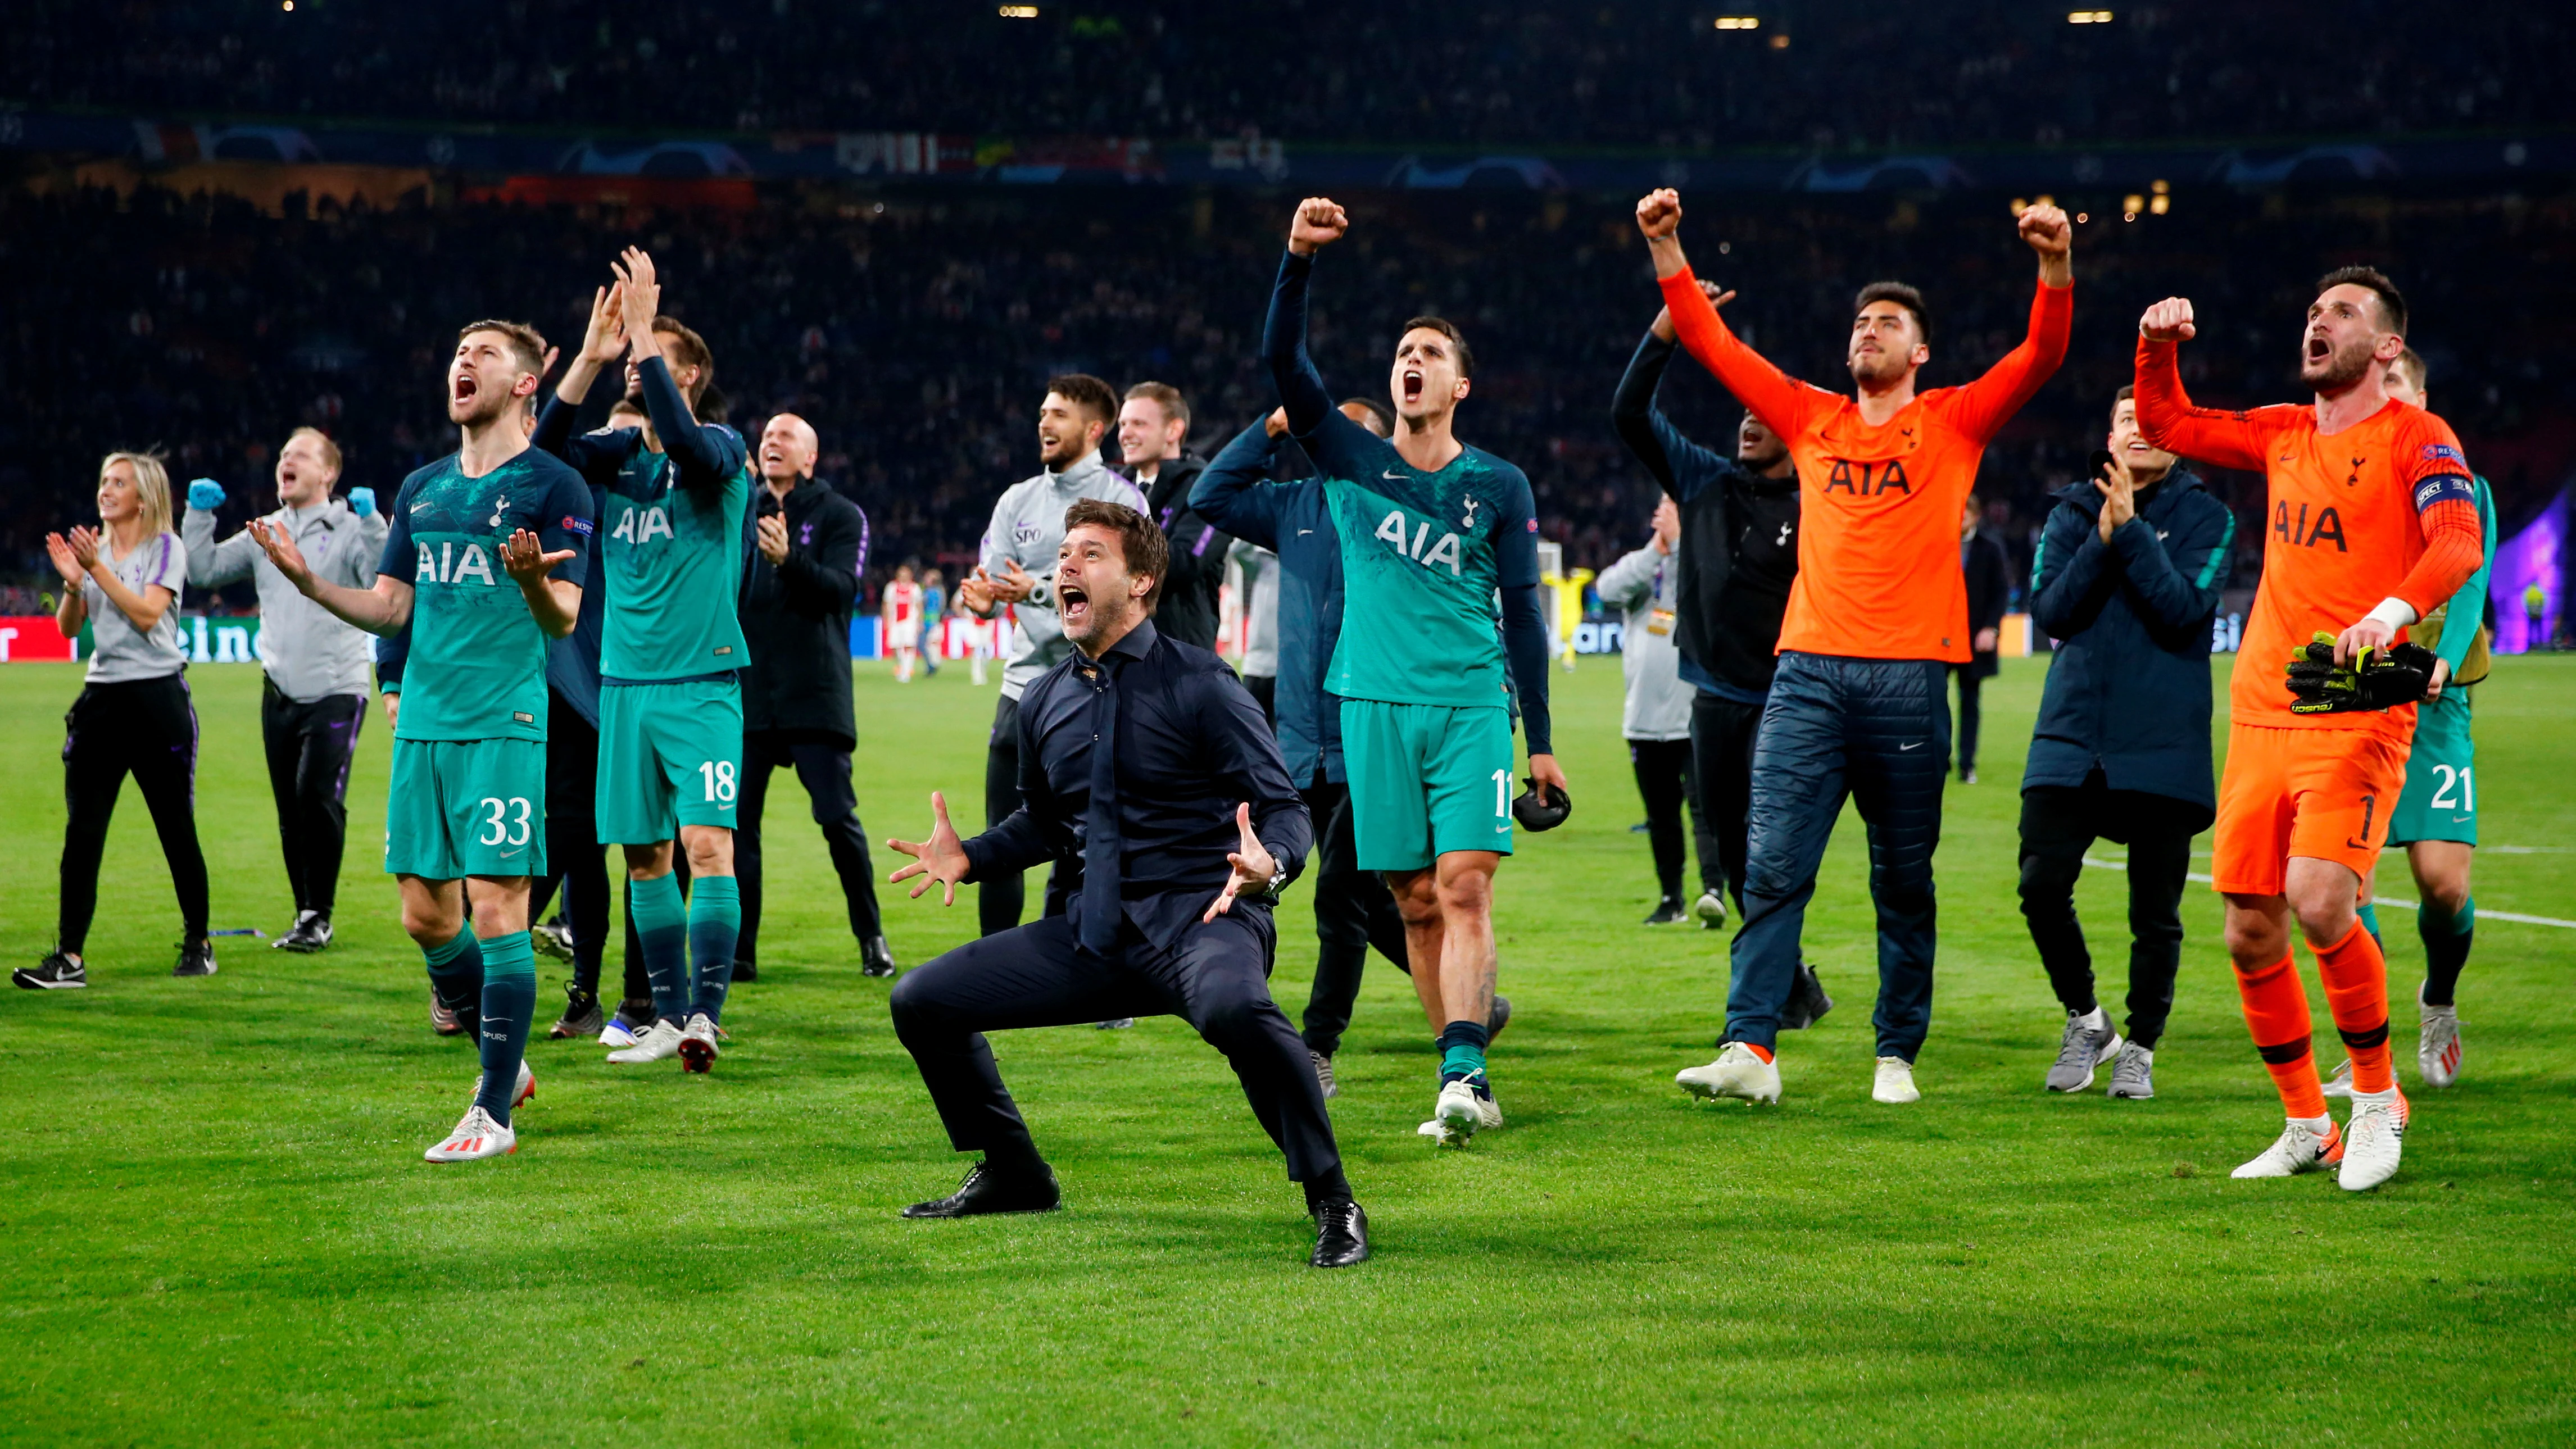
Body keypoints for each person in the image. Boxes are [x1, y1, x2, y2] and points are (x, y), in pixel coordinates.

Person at [1639, 186, 2072, 1108]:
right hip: (1806, 677)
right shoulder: (1807, 416)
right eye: (1859, 322)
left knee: (1900, 876)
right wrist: (1668, 245)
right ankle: (1749, 1044)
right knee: (1769, 866)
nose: (1865, 331)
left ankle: (1894, 1049)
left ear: (1917, 351)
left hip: (1909, 679)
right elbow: (1712, 345)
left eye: (1885, 323)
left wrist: (2051, 266)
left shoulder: (1953, 419)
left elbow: (2041, 354)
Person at [883, 501, 1365, 1269]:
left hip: (1206, 919)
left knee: (1241, 1008)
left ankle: (1333, 1197)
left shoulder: (1203, 682)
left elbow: (1282, 807)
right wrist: (969, 856)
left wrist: (1269, 865)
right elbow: (1043, 824)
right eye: (1065, 553)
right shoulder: (1043, 698)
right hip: (1095, 933)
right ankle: (1015, 1171)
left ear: (1141, 581)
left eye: (1090, 554)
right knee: (921, 999)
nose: (1066, 566)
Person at [2133, 267, 2484, 1191]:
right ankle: (2302, 1119)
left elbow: (2455, 539)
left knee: (2322, 900)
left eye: (2338, 312)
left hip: (2355, 702)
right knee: (2249, 928)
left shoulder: (2417, 434)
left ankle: (2375, 1100)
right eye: (2310, 311)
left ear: (2385, 346)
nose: (2314, 323)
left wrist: (2388, 610)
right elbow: (2166, 424)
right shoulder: (2282, 431)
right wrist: (2155, 345)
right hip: (2260, 706)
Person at [1263, 197, 1563, 1146]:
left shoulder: (1496, 484)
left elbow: (1522, 611)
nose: (1412, 360)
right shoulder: (1349, 460)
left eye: (1431, 352)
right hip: (1371, 705)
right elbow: (1284, 364)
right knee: (1412, 900)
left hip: (1470, 702)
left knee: (1465, 884)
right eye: (1403, 350)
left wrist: (1542, 742)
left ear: (1459, 386)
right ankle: (1458, 1074)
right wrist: (1297, 261)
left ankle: (1464, 1064)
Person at [255, 317, 591, 1160]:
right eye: (456, 355)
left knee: (498, 906)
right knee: (424, 914)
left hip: (504, 722)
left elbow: (566, 615)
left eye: (480, 355)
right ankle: (506, 1062)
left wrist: (530, 585)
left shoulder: (557, 486)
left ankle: (492, 1111)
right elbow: (393, 608)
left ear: (524, 384)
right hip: (427, 723)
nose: (460, 365)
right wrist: (310, 581)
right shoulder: (422, 487)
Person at [1197, 398, 1500, 1102]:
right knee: (1369, 893)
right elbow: (1212, 496)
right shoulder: (1294, 503)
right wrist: (1267, 431)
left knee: (1341, 893)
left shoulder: (1408, 515)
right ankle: (1474, 1005)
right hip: (1299, 740)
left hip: (1377, 733)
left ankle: (1317, 1044)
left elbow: (1471, 608)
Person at [534, 255, 752, 1074]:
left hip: (701, 685)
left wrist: (641, 336)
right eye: (632, 348)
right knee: (645, 857)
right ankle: (662, 1014)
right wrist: (590, 359)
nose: (634, 355)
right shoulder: (616, 455)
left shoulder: (723, 449)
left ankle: (704, 1013)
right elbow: (540, 453)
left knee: (706, 846)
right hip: (623, 687)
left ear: (688, 370)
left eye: (649, 347)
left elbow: (691, 446)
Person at [2019, 387, 2238, 1100]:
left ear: (2179, 437)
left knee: (2155, 911)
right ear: (2108, 435)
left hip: (2161, 740)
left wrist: (2133, 532)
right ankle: (2087, 1019)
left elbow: (2182, 609)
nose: (2139, 429)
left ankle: (2141, 1043)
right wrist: (2106, 533)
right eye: (2124, 420)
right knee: (2040, 885)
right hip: (2071, 732)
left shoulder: (2210, 517)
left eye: (2152, 421)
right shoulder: (2069, 513)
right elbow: (2051, 608)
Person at [1611, 281, 1816, 988]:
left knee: (1768, 851)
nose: (1749, 421)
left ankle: (1763, 1002)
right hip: (1714, 697)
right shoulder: (1704, 480)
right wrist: (1666, 329)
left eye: (1766, 414)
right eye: (1745, 412)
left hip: (1787, 696)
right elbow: (1629, 412)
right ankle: (1792, 985)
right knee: (1731, 857)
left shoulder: (1818, 503)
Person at [2321, 349, 2499, 1096]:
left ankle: (2439, 1000)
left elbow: (2469, 577)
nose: (2386, 395)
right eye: (2379, 385)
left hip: (2433, 698)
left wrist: (2444, 661)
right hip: (2356, 700)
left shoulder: (2462, 484)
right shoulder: (2344, 479)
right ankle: (2371, 1051)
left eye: (2398, 384)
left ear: (2422, 399)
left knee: (2442, 884)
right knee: (2345, 889)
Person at [178, 429, 386, 952]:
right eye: (282, 455)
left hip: (338, 685)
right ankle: (306, 914)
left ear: (328, 474)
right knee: (289, 810)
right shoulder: (262, 532)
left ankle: (320, 912)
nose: (284, 461)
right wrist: (198, 517)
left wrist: (373, 524)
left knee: (316, 795)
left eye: (299, 455)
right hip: (279, 689)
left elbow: (379, 580)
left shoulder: (347, 526)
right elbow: (203, 571)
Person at [956, 374, 1148, 937]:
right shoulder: (1016, 500)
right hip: (1023, 694)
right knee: (999, 840)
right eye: (1043, 411)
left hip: (1099, 693)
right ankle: (987, 978)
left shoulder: (1123, 501)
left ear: (1093, 429)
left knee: (1100, 840)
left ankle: (1106, 980)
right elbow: (993, 585)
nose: (1044, 422)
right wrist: (985, 601)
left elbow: (1130, 586)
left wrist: (1035, 589)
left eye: (1058, 414)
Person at [17, 452, 214, 991]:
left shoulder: (165, 548)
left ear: (143, 498)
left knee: (175, 828)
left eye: (119, 482)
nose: (106, 489)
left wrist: (96, 569)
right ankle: (69, 956)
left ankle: (198, 940)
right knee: (82, 832)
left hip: (158, 700)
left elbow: (149, 614)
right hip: (102, 700)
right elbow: (67, 630)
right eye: (104, 479)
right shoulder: (95, 551)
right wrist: (75, 585)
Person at [737, 411, 898, 983]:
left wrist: (789, 561)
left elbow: (843, 591)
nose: (772, 442)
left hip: (814, 693)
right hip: (749, 692)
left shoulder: (839, 514)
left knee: (836, 818)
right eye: (767, 437)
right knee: (737, 827)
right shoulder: (739, 508)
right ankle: (741, 951)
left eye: (787, 437)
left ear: (811, 457)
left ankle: (872, 936)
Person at [1595, 497, 1699, 924]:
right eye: (1659, 508)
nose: (1661, 514)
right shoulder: (1643, 568)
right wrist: (1658, 548)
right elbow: (1606, 590)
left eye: (1669, 508)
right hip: (1644, 720)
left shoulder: (1700, 561)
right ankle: (1672, 898)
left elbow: (1701, 589)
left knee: (1710, 815)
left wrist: (1678, 547)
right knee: (1662, 819)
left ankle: (1719, 889)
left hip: (1694, 716)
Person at [1117, 381, 1232, 651]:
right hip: (1120, 654)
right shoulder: (1113, 488)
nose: (1125, 434)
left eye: (1138, 424)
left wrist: (1110, 555)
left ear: (1174, 430)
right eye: (1123, 425)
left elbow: (1184, 562)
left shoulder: (1207, 490)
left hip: (1182, 656)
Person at [1954, 494, 2012, 785]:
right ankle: (1938, 760)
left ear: (1976, 517)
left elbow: (2001, 591)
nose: (1960, 518)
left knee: (1970, 702)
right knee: (1932, 704)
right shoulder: (1940, 544)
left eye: (1965, 514)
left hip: (1975, 638)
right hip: (1941, 637)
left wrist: (1991, 628)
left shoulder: (1990, 548)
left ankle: (1967, 764)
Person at [1230, 535, 1279, 721]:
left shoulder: (1306, 569)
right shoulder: (1264, 563)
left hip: (1288, 669)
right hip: (1257, 665)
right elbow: (1237, 549)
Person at [882, 563, 924, 682]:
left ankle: (906, 671)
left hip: (910, 621)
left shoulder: (915, 588)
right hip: (895, 621)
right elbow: (886, 604)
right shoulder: (891, 587)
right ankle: (903, 666)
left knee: (909, 645)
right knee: (895, 646)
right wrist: (886, 620)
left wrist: (920, 621)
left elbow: (919, 605)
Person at [918, 568, 946, 676]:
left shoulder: (930, 592)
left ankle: (931, 665)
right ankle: (931, 665)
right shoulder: (940, 591)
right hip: (934, 621)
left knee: (923, 644)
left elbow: (922, 605)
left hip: (929, 622)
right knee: (928, 645)